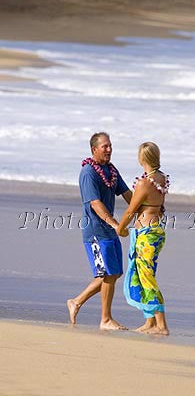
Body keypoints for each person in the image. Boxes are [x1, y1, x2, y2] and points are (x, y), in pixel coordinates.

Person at [67, 132, 132, 330]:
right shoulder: (88, 172)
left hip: (109, 230)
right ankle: (105, 319)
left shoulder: (111, 170)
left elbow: (128, 194)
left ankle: (76, 302)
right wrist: (115, 224)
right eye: (105, 146)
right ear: (94, 149)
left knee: (114, 273)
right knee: (107, 274)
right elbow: (95, 204)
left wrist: (147, 209)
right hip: (95, 231)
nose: (109, 149)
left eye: (110, 145)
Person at [116, 142, 170, 335]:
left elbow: (131, 209)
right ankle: (149, 322)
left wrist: (120, 228)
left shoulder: (144, 183)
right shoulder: (161, 179)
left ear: (142, 159)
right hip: (154, 231)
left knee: (146, 276)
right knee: (144, 275)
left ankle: (161, 325)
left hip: (146, 233)